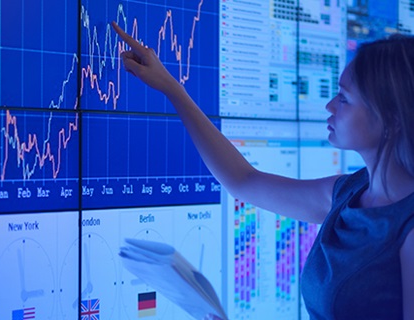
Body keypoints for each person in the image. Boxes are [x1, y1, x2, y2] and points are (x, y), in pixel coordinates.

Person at [110, 22, 414, 319]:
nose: (330, 106)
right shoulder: (349, 193)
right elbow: (243, 180)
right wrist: (171, 88)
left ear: (392, 119)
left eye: (345, 98)